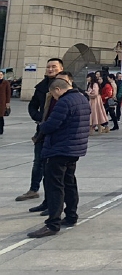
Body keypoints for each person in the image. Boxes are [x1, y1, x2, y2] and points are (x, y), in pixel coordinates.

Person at [27, 77, 90, 238]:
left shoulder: (64, 102)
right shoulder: (82, 99)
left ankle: (52, 224)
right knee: (69, 183)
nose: (54, 98)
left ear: (57, 89)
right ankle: (71, 215)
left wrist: (41, 125)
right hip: (74, 148)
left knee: (55, 186)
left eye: (53, 95)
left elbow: (51, 125)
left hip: (59, 149)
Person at [16, 58, 62, 202]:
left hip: (60, 132)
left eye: (54, 67)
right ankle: (33, 189)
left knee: (57, 166)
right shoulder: (42, 87)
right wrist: (39, 118)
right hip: (42, 131)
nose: (50, 69)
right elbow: (32, 105)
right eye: (48, 67)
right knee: (38, 162)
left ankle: (54, 196)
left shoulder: (67, 86)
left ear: (61, 68)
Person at [0, 69, 10, 135]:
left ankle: (1, 129)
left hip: (2, 102)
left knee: (1, 116)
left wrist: (7, 102)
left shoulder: (6, 82)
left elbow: (8, 93)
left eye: (1, 75)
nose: (0, 76)